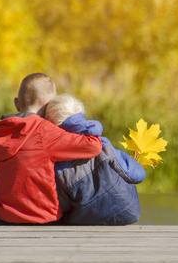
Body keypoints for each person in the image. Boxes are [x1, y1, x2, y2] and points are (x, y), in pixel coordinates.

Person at [0, 73, 102, 225]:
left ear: (16, 103)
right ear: (50, 105)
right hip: (42, 219)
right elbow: (93, 146)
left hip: (3, 218)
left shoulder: (2, 130)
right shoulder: (44, 131)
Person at [45, 94, 146, 225]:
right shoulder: (103, 144)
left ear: (51, 124)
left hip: (87, 219)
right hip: (128, 211)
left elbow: (61, 204)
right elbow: (138, 175)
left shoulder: (58, 163)